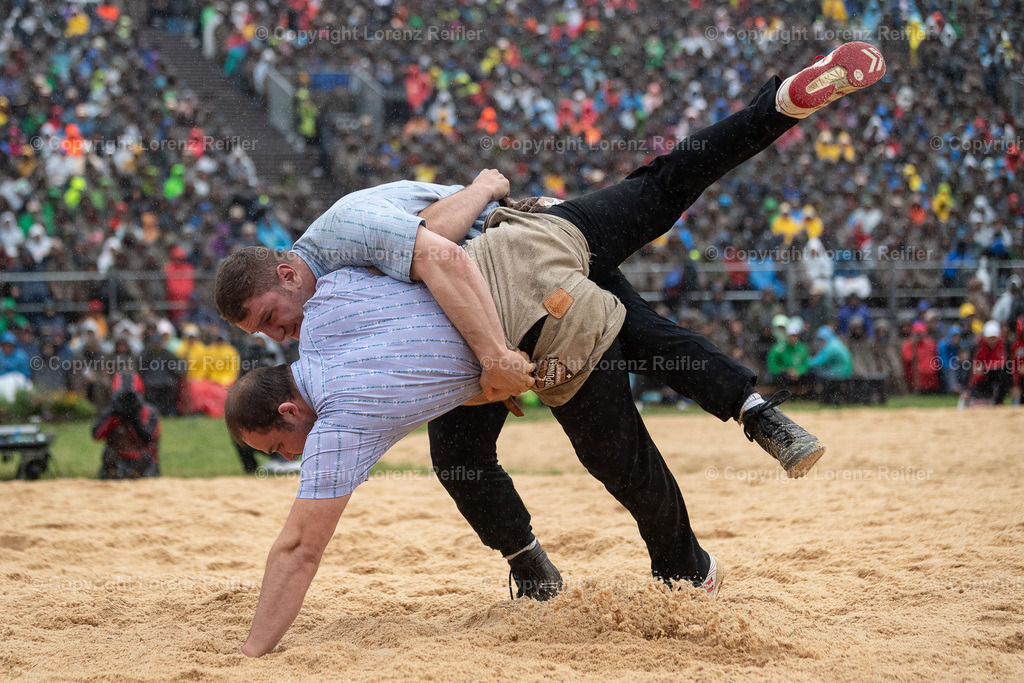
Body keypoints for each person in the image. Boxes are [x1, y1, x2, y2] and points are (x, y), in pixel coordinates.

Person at [217, 42, 886, 657]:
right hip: (536, 243)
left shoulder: (341, 240)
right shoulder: (323, 307)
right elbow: (412, 336)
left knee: (607, 404)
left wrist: (493, 359)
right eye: (265, 335)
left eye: (271, 318)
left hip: (517, 268)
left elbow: (442, 253)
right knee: (662, 201)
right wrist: (478, 368)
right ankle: (778, 114)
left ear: (287, 274)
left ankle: (607, 560)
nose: (279, 334)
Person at [93, 373, 161, 479]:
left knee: (146, 458)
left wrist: (134, 418)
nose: (126, 402)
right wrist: (114, 415)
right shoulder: (111, 412)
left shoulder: (149, 412)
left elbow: (147, 439)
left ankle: (137, 473)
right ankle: (113, 472)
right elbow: (96, 435)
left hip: (141, 459)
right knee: (108, 455)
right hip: (118, 459)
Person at [965, 321, 1011, 405]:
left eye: (994, 338)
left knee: (1004, 373)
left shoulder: (1003, 345)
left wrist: (985, 367)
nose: (992, 341)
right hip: (981, 378)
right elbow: (971, 366)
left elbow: (1002, 362)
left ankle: (998, 401)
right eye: (990, 338)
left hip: (993, 374)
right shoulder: (977, 346)